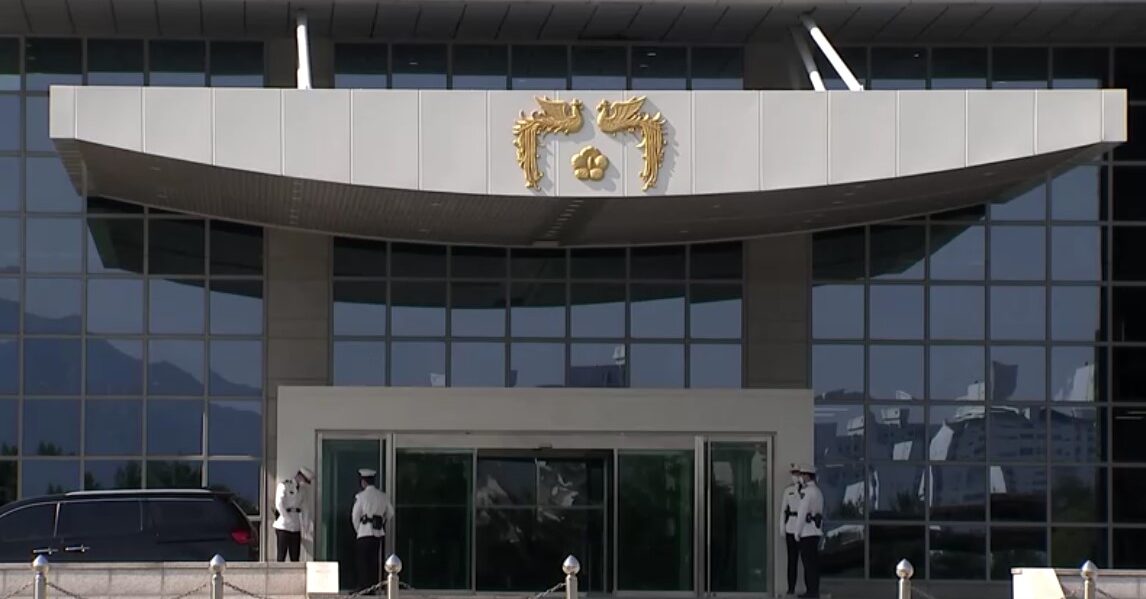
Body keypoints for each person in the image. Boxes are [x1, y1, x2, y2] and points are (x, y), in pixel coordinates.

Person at [351, 468, 394, 594]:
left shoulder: (361, 496)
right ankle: (373, 588)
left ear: (363, 482)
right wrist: (382, 521)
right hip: (377, 532)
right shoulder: (382, 496)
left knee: (362, 561)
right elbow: (390, 513)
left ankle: (364, 588)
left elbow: (355, 516)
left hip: (364, 532)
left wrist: (358, 530)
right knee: (373, 561)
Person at [793, 465, 824, 599]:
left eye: (803, 475)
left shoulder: (808, 492)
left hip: (806, 532)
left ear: (807, 476)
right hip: (815, 532)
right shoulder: (818, 491)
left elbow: (801, 513)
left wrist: (797, 532)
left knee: (808, 564)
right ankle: (813, 590)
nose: (801, 477)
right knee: (813, 564)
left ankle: (810, 592)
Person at [272, 466, 314, 562]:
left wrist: (306, 527)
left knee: (295, 557)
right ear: (299, 476)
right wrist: (286, 518)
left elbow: (305, 510)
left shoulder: (303, 491)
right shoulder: (284, 485)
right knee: (281, 556)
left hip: (295, 526)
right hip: (283, 525)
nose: (304, 483)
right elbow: (279, 504)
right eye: (304, 480)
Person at [779, 463, 805, 595]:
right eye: (793, 474)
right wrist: (782, 527)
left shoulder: (806, 490)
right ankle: (791, 588)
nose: (795, 476)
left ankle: (808, 589)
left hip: (804, 529)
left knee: (806, 560)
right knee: (792, 560)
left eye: (797, 474)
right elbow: (783, 510)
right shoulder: (787, 491)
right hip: (791, 526)